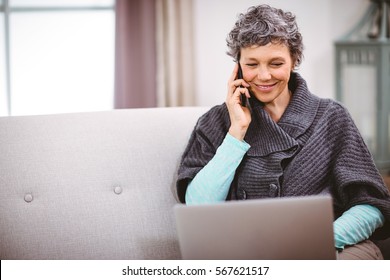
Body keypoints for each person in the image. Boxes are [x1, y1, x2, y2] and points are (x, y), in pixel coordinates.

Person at [176, 4, 390, 260]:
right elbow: (198, 209)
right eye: (252, 64)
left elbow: (371, 205)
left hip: (336, 248)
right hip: (250, 254)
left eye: (276, 63)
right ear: (238, 67)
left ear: (294, 60)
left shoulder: (331, 117)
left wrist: (318, 241)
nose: (264, 76)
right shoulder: (216, 122)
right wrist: (236, 133)